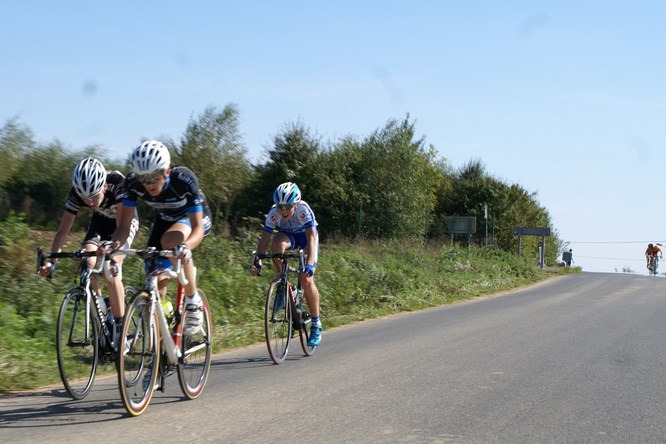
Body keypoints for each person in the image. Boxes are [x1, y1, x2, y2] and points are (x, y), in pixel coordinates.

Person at [108, 140, 212, 337]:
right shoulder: (132, 183)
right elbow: (123, 228)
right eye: (143, 178)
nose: (148, 184)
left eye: (154, 177)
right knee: (154, 277)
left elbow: (198, 228)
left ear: (166, 171)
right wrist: (113, 248)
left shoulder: (183, 179)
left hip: (194, 218)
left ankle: (193, 301)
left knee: (171, 242)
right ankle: (162, 343)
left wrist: (186, 246)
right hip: (165, 220)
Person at [39, 157, 139, 348]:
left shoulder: (117, 184)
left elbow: (121, 228)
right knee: (87, 263)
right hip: (100, 222)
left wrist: (111, 248)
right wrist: (52, 263)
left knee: (111, 268)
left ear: (103, 186)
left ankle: (121, 330)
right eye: (85, 199)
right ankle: (101, 307)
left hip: (124, 223)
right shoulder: (78, 192)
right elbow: (63, 231)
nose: (90, 202)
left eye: (93, 196)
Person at [250, 182, 323, 347]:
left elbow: (312, 238)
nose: (283, 211)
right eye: (280, 207)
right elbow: (265, 238)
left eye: (288, 207)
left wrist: (310, 264)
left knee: (305, 278)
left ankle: (316, 323)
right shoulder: (273, 213)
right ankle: (284, 285)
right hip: (288, 236)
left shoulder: (303, 210)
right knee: (276, 245)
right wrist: (258, 260)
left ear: (295, 204)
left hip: (306, 239)